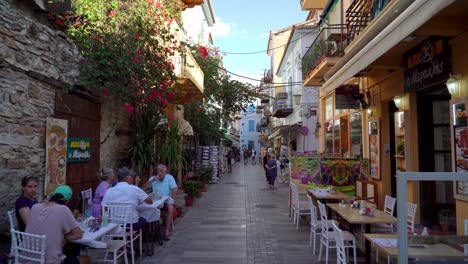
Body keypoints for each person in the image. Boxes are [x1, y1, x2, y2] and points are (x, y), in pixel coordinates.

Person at [26, 185, 91, 264]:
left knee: (69, 248)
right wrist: (63, 237)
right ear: (67, 201)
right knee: (87, 259)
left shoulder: (34, 207)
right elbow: (78, 234)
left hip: (26, 258)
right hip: (50, 261)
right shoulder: (63, 209)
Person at [102, 167, 153, 231]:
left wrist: (105, 224)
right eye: (132, 176)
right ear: (128, 178)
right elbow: (150, 201)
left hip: (114, 224)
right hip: (131, 224)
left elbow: (104, 208)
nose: (132, 178)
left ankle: (122, 234)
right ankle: (131, 236)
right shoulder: (134, 189)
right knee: (144, 217)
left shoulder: (109, 191)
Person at [142, 164, 177, 241]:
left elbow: (175, 188)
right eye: (158, 171)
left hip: (166, 200)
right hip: (155, 200)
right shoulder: (153, 178)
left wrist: (172, 200)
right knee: (145, 207)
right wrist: (152, 180)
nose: (159, 173)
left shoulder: (169, 177)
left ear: (165, 172)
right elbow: (144, 188)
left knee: (170, 208)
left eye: (161, 171)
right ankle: (148, 231)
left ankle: (166, 232)